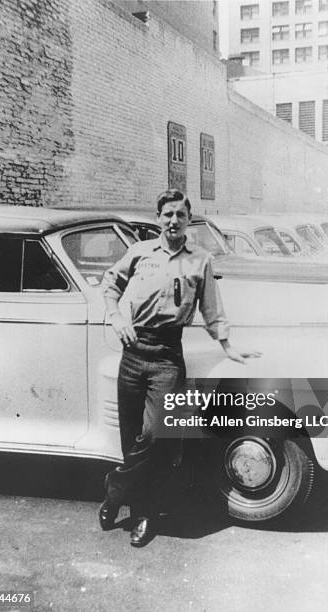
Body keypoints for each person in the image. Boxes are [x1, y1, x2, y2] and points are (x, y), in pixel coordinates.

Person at [99, 189, 260, 547]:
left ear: (189, 220)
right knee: (131, 439)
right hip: (133, 351)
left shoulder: (201, 260)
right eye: (168, 214)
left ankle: (115, 491)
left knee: (156, 437)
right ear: (159, 218)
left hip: (168, 357)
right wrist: (116, 318)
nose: (174, 221)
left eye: (180, 215)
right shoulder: (140, 253)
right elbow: (109, 285)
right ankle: (141, 511)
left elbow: (211, 309)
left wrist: (228, 346)